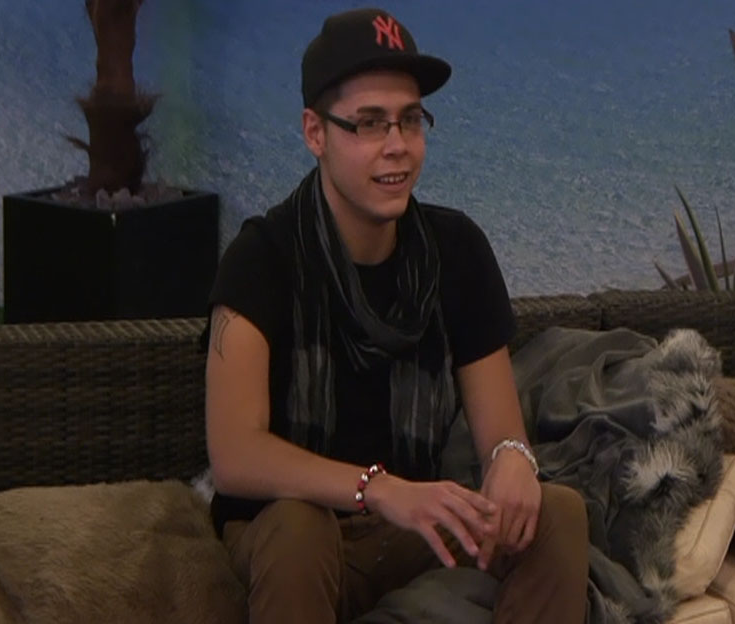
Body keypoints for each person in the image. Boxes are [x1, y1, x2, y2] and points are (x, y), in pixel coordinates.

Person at [204, 7, 589, 623]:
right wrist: (378, 489)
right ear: (315, 133)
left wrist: (514, 460)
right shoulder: (262, 258)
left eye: (410, 120)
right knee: (301, 527)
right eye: (369, 123)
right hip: (288, 533)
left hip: (409, 530)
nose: (398, 146)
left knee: (558, 512)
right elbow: (235, 456)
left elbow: (501, 435)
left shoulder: (456, 251)